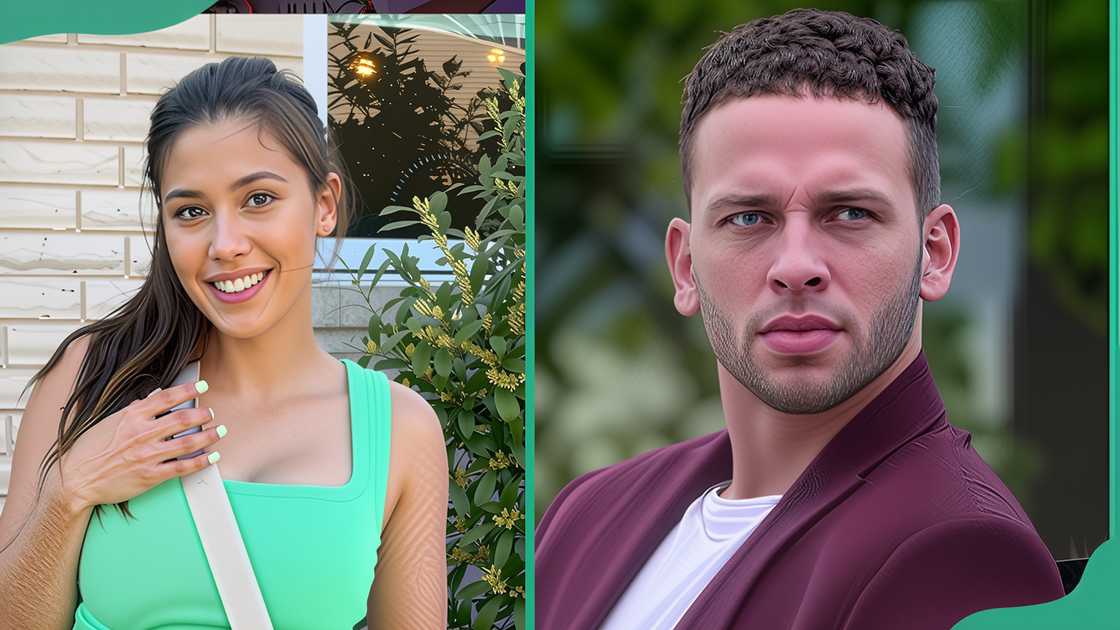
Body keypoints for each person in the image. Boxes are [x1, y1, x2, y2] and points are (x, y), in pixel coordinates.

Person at [535, 9, 1065, 630]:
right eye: (749, 218)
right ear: (684, 266)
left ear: (935, 253)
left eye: (850, 213)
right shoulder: (585, 515)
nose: (796, 267)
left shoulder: (961, 550)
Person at [0, 57, 448, 629]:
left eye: (258, 199)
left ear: (324, 205)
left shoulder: (399, 429)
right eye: (191, 211)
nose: (225, 244)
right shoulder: (92, 377)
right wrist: (69, 490)